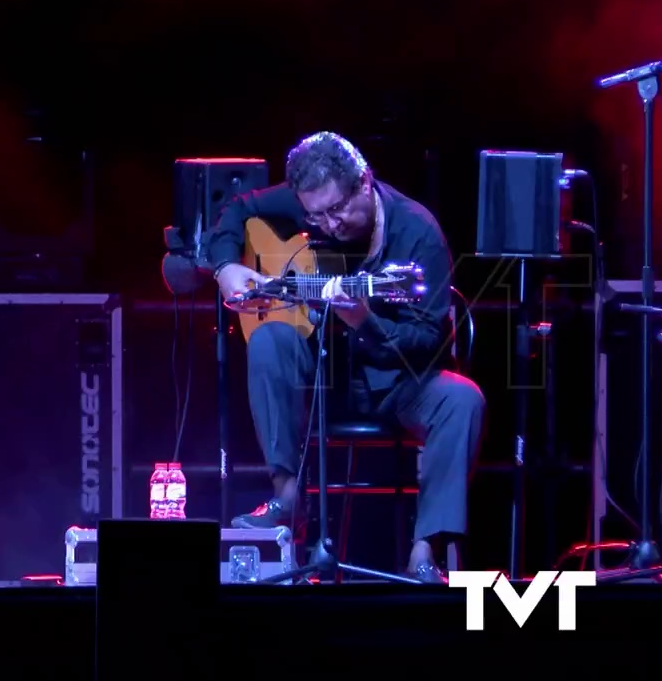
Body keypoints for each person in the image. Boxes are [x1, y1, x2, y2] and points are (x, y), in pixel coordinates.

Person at [208, 131, 485, 583]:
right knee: (270, 339)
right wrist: (225, 268)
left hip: (398, 381)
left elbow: (428, 338)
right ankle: (288, 496)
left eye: (337, 210)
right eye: (316, 216)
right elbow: (237, 208)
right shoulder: (312, 204)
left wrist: (364, 322)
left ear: (364, 183)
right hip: (326, 380)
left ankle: (424, 550)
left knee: (463, 399)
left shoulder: (418, 233)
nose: (329, 224)